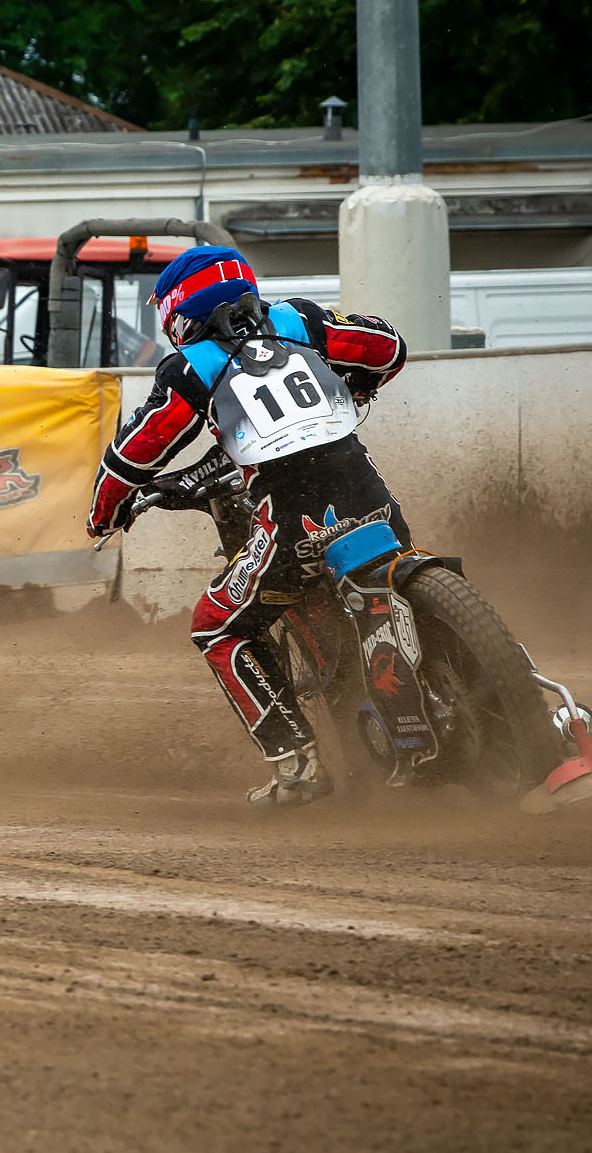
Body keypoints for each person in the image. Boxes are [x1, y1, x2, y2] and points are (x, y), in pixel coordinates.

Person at [86, 245, 408, 807]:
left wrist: (103, 514)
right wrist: (360, 386)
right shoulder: (301, 320)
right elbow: (389, 348)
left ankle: (298, 767)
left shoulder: (192, 366)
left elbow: (135, 454)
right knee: (404, 585)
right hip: (375, 502)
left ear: (179, 313)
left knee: (217, 626)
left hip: (293, 523)